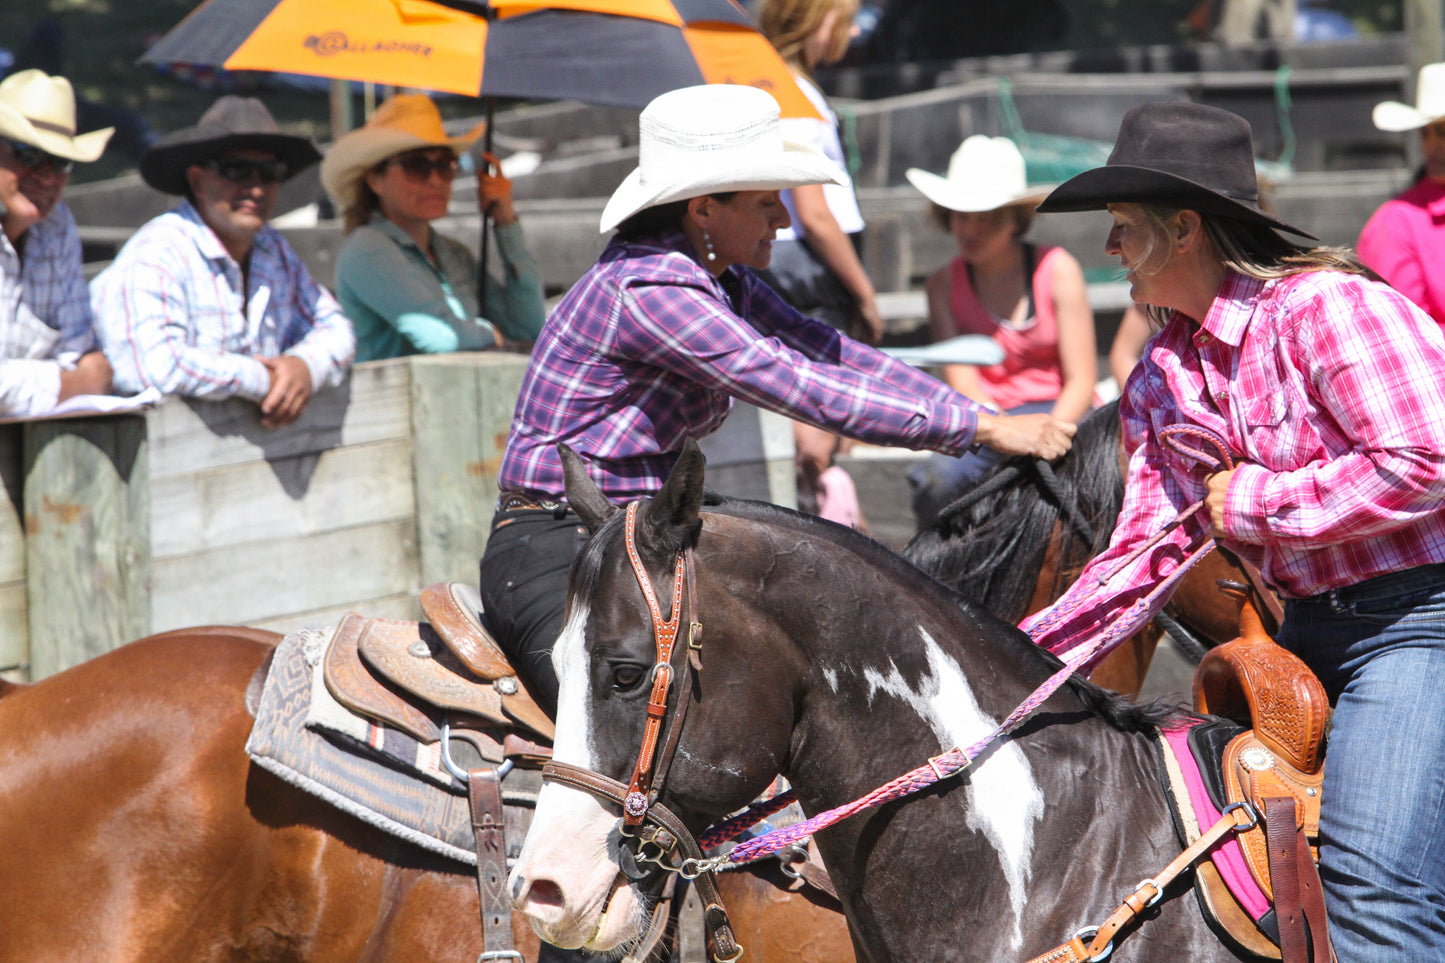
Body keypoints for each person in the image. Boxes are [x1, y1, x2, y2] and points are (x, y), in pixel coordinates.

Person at [477, 83, 1076, 717]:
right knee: (624, 737)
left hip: (631, 533)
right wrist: (980, 427)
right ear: (705, 210)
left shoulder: (716, 281)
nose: (784, 220)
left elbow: (831, 352)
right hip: (558, 546)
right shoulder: (653, 289)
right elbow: (793, 382)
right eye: (767, 202)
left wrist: (988, 421)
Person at [1023, 101, 1445, 961]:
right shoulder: (1164, 370)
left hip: (1422, 621)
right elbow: (1144, 548)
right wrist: (1017, 665)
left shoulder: (1328, 309)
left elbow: (1425, 458)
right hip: (1314, 628)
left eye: (1120, 230)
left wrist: (1252, 506)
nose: (1106, 252)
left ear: (1183, 230)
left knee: (1370, 885)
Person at [91, 96, 355, 429]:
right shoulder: (159, 253)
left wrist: (304, 366)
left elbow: (335, 327)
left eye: (270, 172)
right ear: (198, 181)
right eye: (237, 170)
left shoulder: (272, 247)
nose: (256, 188)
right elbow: (151, 366)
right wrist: (262, 379)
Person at [903, 135, 1096, 527]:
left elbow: (1081, 378)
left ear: (1014, 220)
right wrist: (1005, 433)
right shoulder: (941, 286)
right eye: (961, 215)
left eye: (985, 217)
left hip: (1064, 414)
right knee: (939, 482)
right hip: (987, 421)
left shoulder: (1059, 269)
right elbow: (963, 383)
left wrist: (1049, 437)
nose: (971, 229)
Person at [756, 0, 881, 526]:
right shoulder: (792, 94)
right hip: (808, 270)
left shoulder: (778, 83)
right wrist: (863, 291)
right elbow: (816, 210)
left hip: (797, 267)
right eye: (844, 19)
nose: (853, 32)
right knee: (815, 429)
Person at [320, 94, 545, 362]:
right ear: (374, 181)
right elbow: (442, 337)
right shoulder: (367, 248)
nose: (435, 180)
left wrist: (505, 221)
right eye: (417, 166)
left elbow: (528, 327)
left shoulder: (454, 254)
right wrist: (489, 332)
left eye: (445, 166)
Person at [0, 68, 113, 415]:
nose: (46, 176)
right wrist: (71, 384)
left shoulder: (58, 226)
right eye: (29, 155)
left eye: (61, 161)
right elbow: (86, 377)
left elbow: (83, 356)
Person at [1358, 61, 1445, 328]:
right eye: (1425, 132)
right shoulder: (1395, 223)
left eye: (1441, 131)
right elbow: (1404, 337)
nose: (1431, 145)